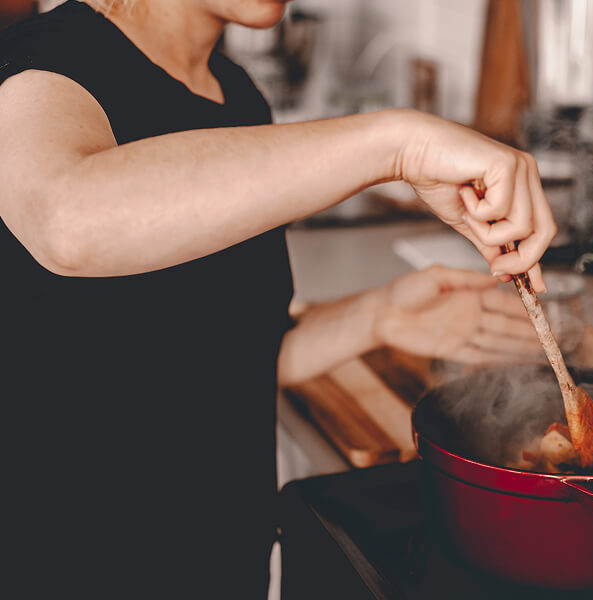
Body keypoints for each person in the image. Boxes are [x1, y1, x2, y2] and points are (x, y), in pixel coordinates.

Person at [0, 0, 556, 597]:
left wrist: (380, 314)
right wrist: (399, 143)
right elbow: (68, 221)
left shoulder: (238, 96)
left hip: (217, 563)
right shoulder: (39, 64)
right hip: (71, 567)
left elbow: (224, 351)